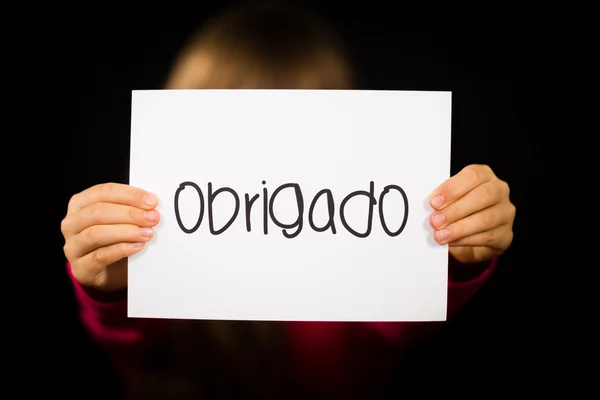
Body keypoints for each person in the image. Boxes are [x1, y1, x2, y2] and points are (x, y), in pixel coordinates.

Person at [61, 1, 516, 398]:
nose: (267, 150)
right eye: (235, 117)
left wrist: (456, 251)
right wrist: (112, 283)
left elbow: (397, 323)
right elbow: (131, 342)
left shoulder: (352, 254)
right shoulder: (157, 227)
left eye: (301, 121)